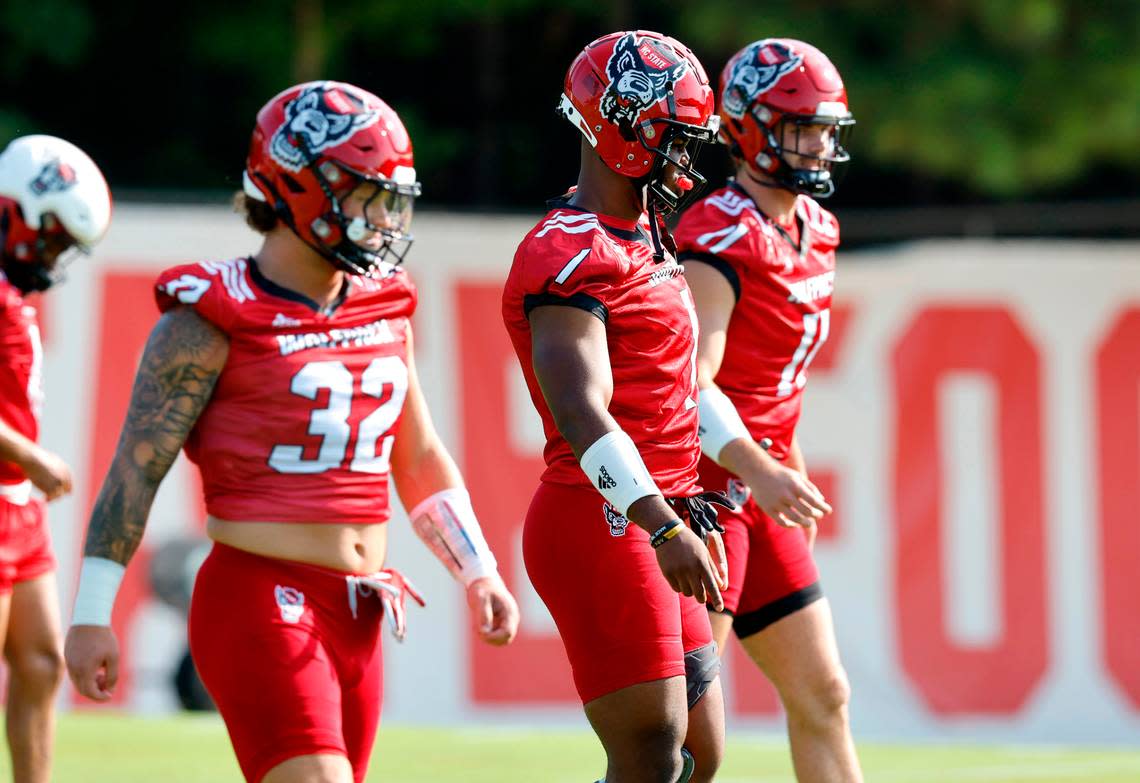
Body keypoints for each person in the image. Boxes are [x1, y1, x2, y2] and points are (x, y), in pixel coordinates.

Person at [63, 81, 520, 783]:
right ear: (299, 186)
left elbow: (419, 456)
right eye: (364, 193)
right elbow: (136, 470)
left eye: (386, 196)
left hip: (360, 607)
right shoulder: (208, 317)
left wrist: (477, 565)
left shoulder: (385, 305)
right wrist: (94, 612)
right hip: (258, 592)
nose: (381, 215)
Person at [502, 31, 730, 783]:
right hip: (602, 519)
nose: (687, 164)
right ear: (623, 129)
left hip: (655, 510)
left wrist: (692, 501)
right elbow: (582, 409)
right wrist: (663, 522)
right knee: (652, 749)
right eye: (675, 141)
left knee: (700, 755)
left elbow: (669, 391)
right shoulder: (569, 250)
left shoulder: (647, 236)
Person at [673, 39, 863, 782]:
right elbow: (689, 383)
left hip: (761, 481)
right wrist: (762, 466)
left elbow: (775, 380)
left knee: (824, 693)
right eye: (802, 127)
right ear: (749, 128)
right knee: (689, 729)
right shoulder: (720, 231)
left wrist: (789, 462)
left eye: (825, 128)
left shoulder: (817, 229)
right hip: (706, 490)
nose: (819, 144)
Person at [0, 134, 112, 783]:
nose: (55, 256)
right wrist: (32, 457)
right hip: (9, 485)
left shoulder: (14, 290)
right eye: (53, 238)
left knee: (42, 660)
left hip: (17, 506)